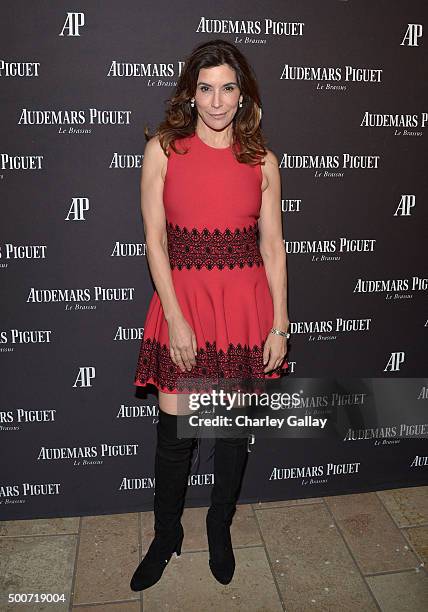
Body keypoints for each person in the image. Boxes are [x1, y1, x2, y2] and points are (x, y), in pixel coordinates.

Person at [130, 39, 290, 592]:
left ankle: (219, 530)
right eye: (205, 89)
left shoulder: (262, 162)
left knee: (227, 435)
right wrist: (174, 317)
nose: (217, 101)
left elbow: (273, 248)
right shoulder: (164, 151)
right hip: (186, 304)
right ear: (190, 94)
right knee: (175, 436)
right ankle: (165, 535)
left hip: (244, 306)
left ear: (242, 95)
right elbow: (154, 241)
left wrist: (280, 322)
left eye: (227, 88)